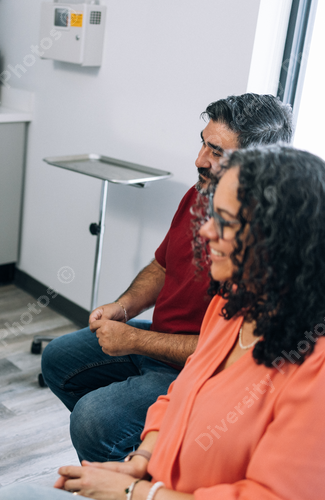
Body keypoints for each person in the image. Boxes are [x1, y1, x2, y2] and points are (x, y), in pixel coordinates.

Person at [0, 145, 325, 500]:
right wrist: (140, 461)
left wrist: (134, 492)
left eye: (224, 221)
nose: (206, 231)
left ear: (282, 238)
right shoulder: (233, 310)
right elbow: (178, 396)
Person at [41, 93, 293, 463]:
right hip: (159, 338)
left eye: (217, 153)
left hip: (202, 367)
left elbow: (228, 351)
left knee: (94, 419)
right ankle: (142, 458)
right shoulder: (200, 194)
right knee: (58, 359)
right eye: (203, 143)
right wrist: (123, 309)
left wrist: (135, 341)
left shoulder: (264, 242)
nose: (199, 160)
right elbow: (162, 266)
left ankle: (139, 463)